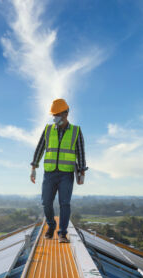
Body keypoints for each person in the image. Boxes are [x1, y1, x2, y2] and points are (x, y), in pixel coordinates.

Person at [30, 98, 87, 243]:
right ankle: (51, 225)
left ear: (66, 114)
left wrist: (82, 173)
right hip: (49, 172)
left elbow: (81, 152)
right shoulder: (48, 130)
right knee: (46, 202)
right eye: (53, 115)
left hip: (66, 173)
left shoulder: (76, 131)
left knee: (65, 203)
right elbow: (40, 148)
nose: (54, 117)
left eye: (57, 114)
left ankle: (62, 233)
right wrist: (33, 167)